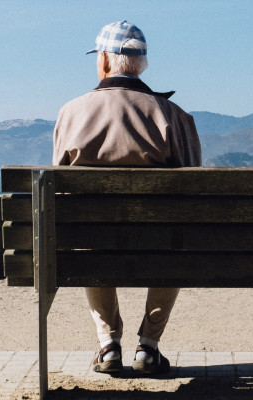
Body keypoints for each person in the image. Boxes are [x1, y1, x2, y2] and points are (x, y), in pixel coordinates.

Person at [52, 20, 201, 374]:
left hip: (94, 243)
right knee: (174, 241)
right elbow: (196, 188)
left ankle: (108, 345)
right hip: (159, 243)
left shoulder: (71, 112)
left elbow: (58, 190)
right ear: (141, 65)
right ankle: (148, 346)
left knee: (86, 237)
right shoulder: (173, 116)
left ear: (104, 61)